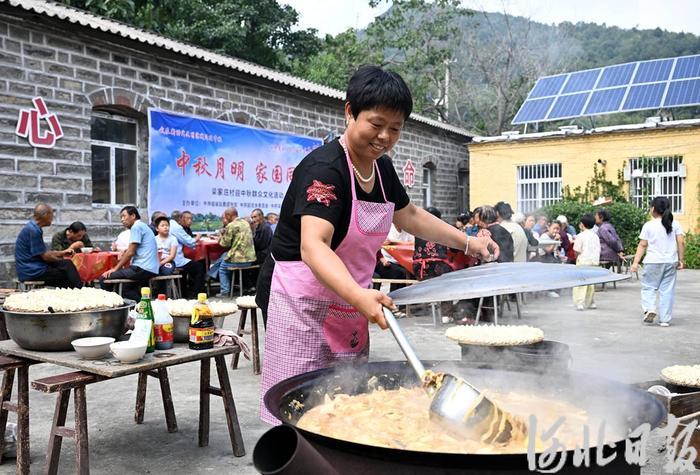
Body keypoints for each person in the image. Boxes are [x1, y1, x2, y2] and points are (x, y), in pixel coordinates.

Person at [255, 65, 498, 425]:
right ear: (349, 112)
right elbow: (314, 246)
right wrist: (359, 295)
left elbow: (410, 215)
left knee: (346, 400)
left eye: (395, 128)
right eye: (376, 123)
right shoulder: (325, 169)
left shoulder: (381, 170)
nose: (384, 136)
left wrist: (468, 243)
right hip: (301, 301)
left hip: (350, 299)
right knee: (301, 405)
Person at [630, 197, 685, 327]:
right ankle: (665, 319)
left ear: (653, 209)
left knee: (649, 287)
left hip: (653, 262)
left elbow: (643, 245)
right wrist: (681, 260)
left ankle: (650, 309)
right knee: (667, 290)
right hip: (670, 261)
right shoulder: (675, 224)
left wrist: (635, 262)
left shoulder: (649, 225)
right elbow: (681, 242)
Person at [15, 203, 82, 288]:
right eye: (51, 214)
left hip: (33, 267)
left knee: (67, 267)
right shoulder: (34, 230)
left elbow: (44, 253)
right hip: (32, 271)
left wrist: (63, 252)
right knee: (66, 272)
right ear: (46, 215)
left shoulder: (33, 227)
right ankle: (80, 292)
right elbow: (46, 257)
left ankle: (77, 292)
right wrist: (60, 259)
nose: (52, 218)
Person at [100, 206, 159, 301]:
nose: (122, 220)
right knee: (126, 289)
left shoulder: (136, 227)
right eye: (121, 217)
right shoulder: (143, 226)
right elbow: (134, 248)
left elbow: (130, 252)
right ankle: (144, 307)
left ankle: (111, 305)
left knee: (104, 278)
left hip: (142, 268)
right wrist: (125, 250)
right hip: (151, 268)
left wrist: (115, 269)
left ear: (133, 216)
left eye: (124, 216)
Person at [208, 207, 255, 296]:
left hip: (240, 260)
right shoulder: (245, 223)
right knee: (224, 256)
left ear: (229, 215)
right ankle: (210, 274)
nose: (225, 218)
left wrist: (220, 236)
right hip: (250, 259)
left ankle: (224, 292)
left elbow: (224, 244)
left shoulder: (231, 225)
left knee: (222, 268)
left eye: (226, 216)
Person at [169, 210, 205, 298]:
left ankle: (185, 293)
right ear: (181, 219)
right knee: (199, 267)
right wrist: (197, 237)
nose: (190, 221)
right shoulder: (177, 227)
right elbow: (189, 242)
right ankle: (197, 294)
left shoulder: (171, 224)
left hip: (170, 257)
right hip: (175, 258)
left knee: (189, 267)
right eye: (187, 218)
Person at [572, 214, 600, 310]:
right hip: (594, 262)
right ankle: (591, 302)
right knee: (591, 284)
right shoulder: (596, 236)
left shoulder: (580, 236)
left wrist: (576, 258)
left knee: (581, 283)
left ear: (582, 224)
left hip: (583, 261)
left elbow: (576, 250)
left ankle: (580, 303)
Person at [375, 223, 413, 292]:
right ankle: (395, 298)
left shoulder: (408, 230)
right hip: (387, 261)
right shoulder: (387, 228)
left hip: (403, 262)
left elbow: (412, 244)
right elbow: (383, 244)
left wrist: (394, 242)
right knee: (400, 273)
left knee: (412, 273)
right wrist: (383, 260)